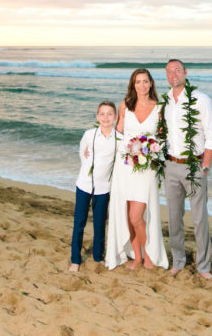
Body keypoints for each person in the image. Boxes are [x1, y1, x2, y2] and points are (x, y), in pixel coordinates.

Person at [105, 69, 170, 270]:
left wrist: (151, 152)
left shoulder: (160, 107)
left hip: (147, 168)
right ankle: (138, 258)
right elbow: (118, 134)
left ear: (151, 84)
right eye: (138, 82)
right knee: (127, 215)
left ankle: (149, 255)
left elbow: (162, 138)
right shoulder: (126, 106)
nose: (141, 86)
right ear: (133, 85)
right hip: (125, 166)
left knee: (137, 216)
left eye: (145, 81)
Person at [161, 59, 212, 279]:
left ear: (185, 72)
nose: (173, 75)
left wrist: (205, 166)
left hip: (194, 166)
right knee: (174, 218)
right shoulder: (165, 101)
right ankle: (178, 261)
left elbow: (211, 135)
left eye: (177, 70)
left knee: (199, 219)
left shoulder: (200, 100)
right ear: (166, 75)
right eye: (169, 72)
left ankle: (204, 267)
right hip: (171, 165)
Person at [69, 101, 118, 272]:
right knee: (79, 222)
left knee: (99, 223)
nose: (106, 117)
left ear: (115, 117)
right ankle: (75, 259)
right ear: (97, 117)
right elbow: (82, 152)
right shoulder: (89, 134)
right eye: (102, 114)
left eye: (110, 114)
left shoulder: (118, 139)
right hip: (84, 185)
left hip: (103, 188)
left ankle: (98, 256)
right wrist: (87, 166)